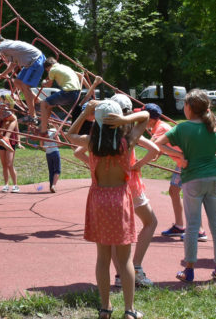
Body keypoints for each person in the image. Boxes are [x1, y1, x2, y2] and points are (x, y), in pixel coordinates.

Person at [67, 100, 159, 319]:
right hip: (120, 198)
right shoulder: (127, 141)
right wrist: (126, 119)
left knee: (102, 257)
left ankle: (105, 308)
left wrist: (84, 113)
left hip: (98, 198)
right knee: (125, 258)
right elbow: (145, 116)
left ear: (96, 122)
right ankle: (129, 310)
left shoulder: (91, 143)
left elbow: (69, 135)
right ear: (118, 120)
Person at [154, 89, 216, 283]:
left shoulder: (182, 128)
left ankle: (189, 269)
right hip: (214, 178)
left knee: (192, 226)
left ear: (188, 107)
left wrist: (179, 156)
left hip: (192, 179)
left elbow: (157, 143)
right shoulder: (215, 127)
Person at [109, 94, 158, 288]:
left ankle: (120, 275)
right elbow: (154, 149)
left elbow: (79, 151)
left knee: (114, 233)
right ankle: (136, 267)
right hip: (131, 185)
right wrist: (138, 164)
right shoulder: (130, 133)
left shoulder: (104, 133)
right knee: (150, 221)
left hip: (111, 184)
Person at [147, 103, 208, 242]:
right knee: (174, 191)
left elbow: (153, 144)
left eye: (143, 118)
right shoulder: (158, 126)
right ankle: (180, 225)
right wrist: (157, 155)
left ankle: (200, 230)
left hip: (187, 162)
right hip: (181, 163)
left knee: (190, 195)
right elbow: (163, 146)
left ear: (151, 119)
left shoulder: (161, 128)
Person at [38, 57, 87, 134]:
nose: (48, 72)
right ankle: (42, 125)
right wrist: (90, 88)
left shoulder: (52, 70)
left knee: (43, 103)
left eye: (47, 70)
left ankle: (43, 131)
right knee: (50, 105)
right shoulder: (66, 67)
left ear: (48, 67)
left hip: (68, 92)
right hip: (76, 94)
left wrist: (43, 83)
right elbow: (81, 75)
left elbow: (48, 85)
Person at [43, 127, 61, 193]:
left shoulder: (42, 134)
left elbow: (42, 145)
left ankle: (51, 186)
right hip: (55, 152)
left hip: (48, 154)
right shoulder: (53, 132)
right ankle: (53, 185)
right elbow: (59, 144)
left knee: (51, 171)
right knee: (57, 170)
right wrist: (57, 139)